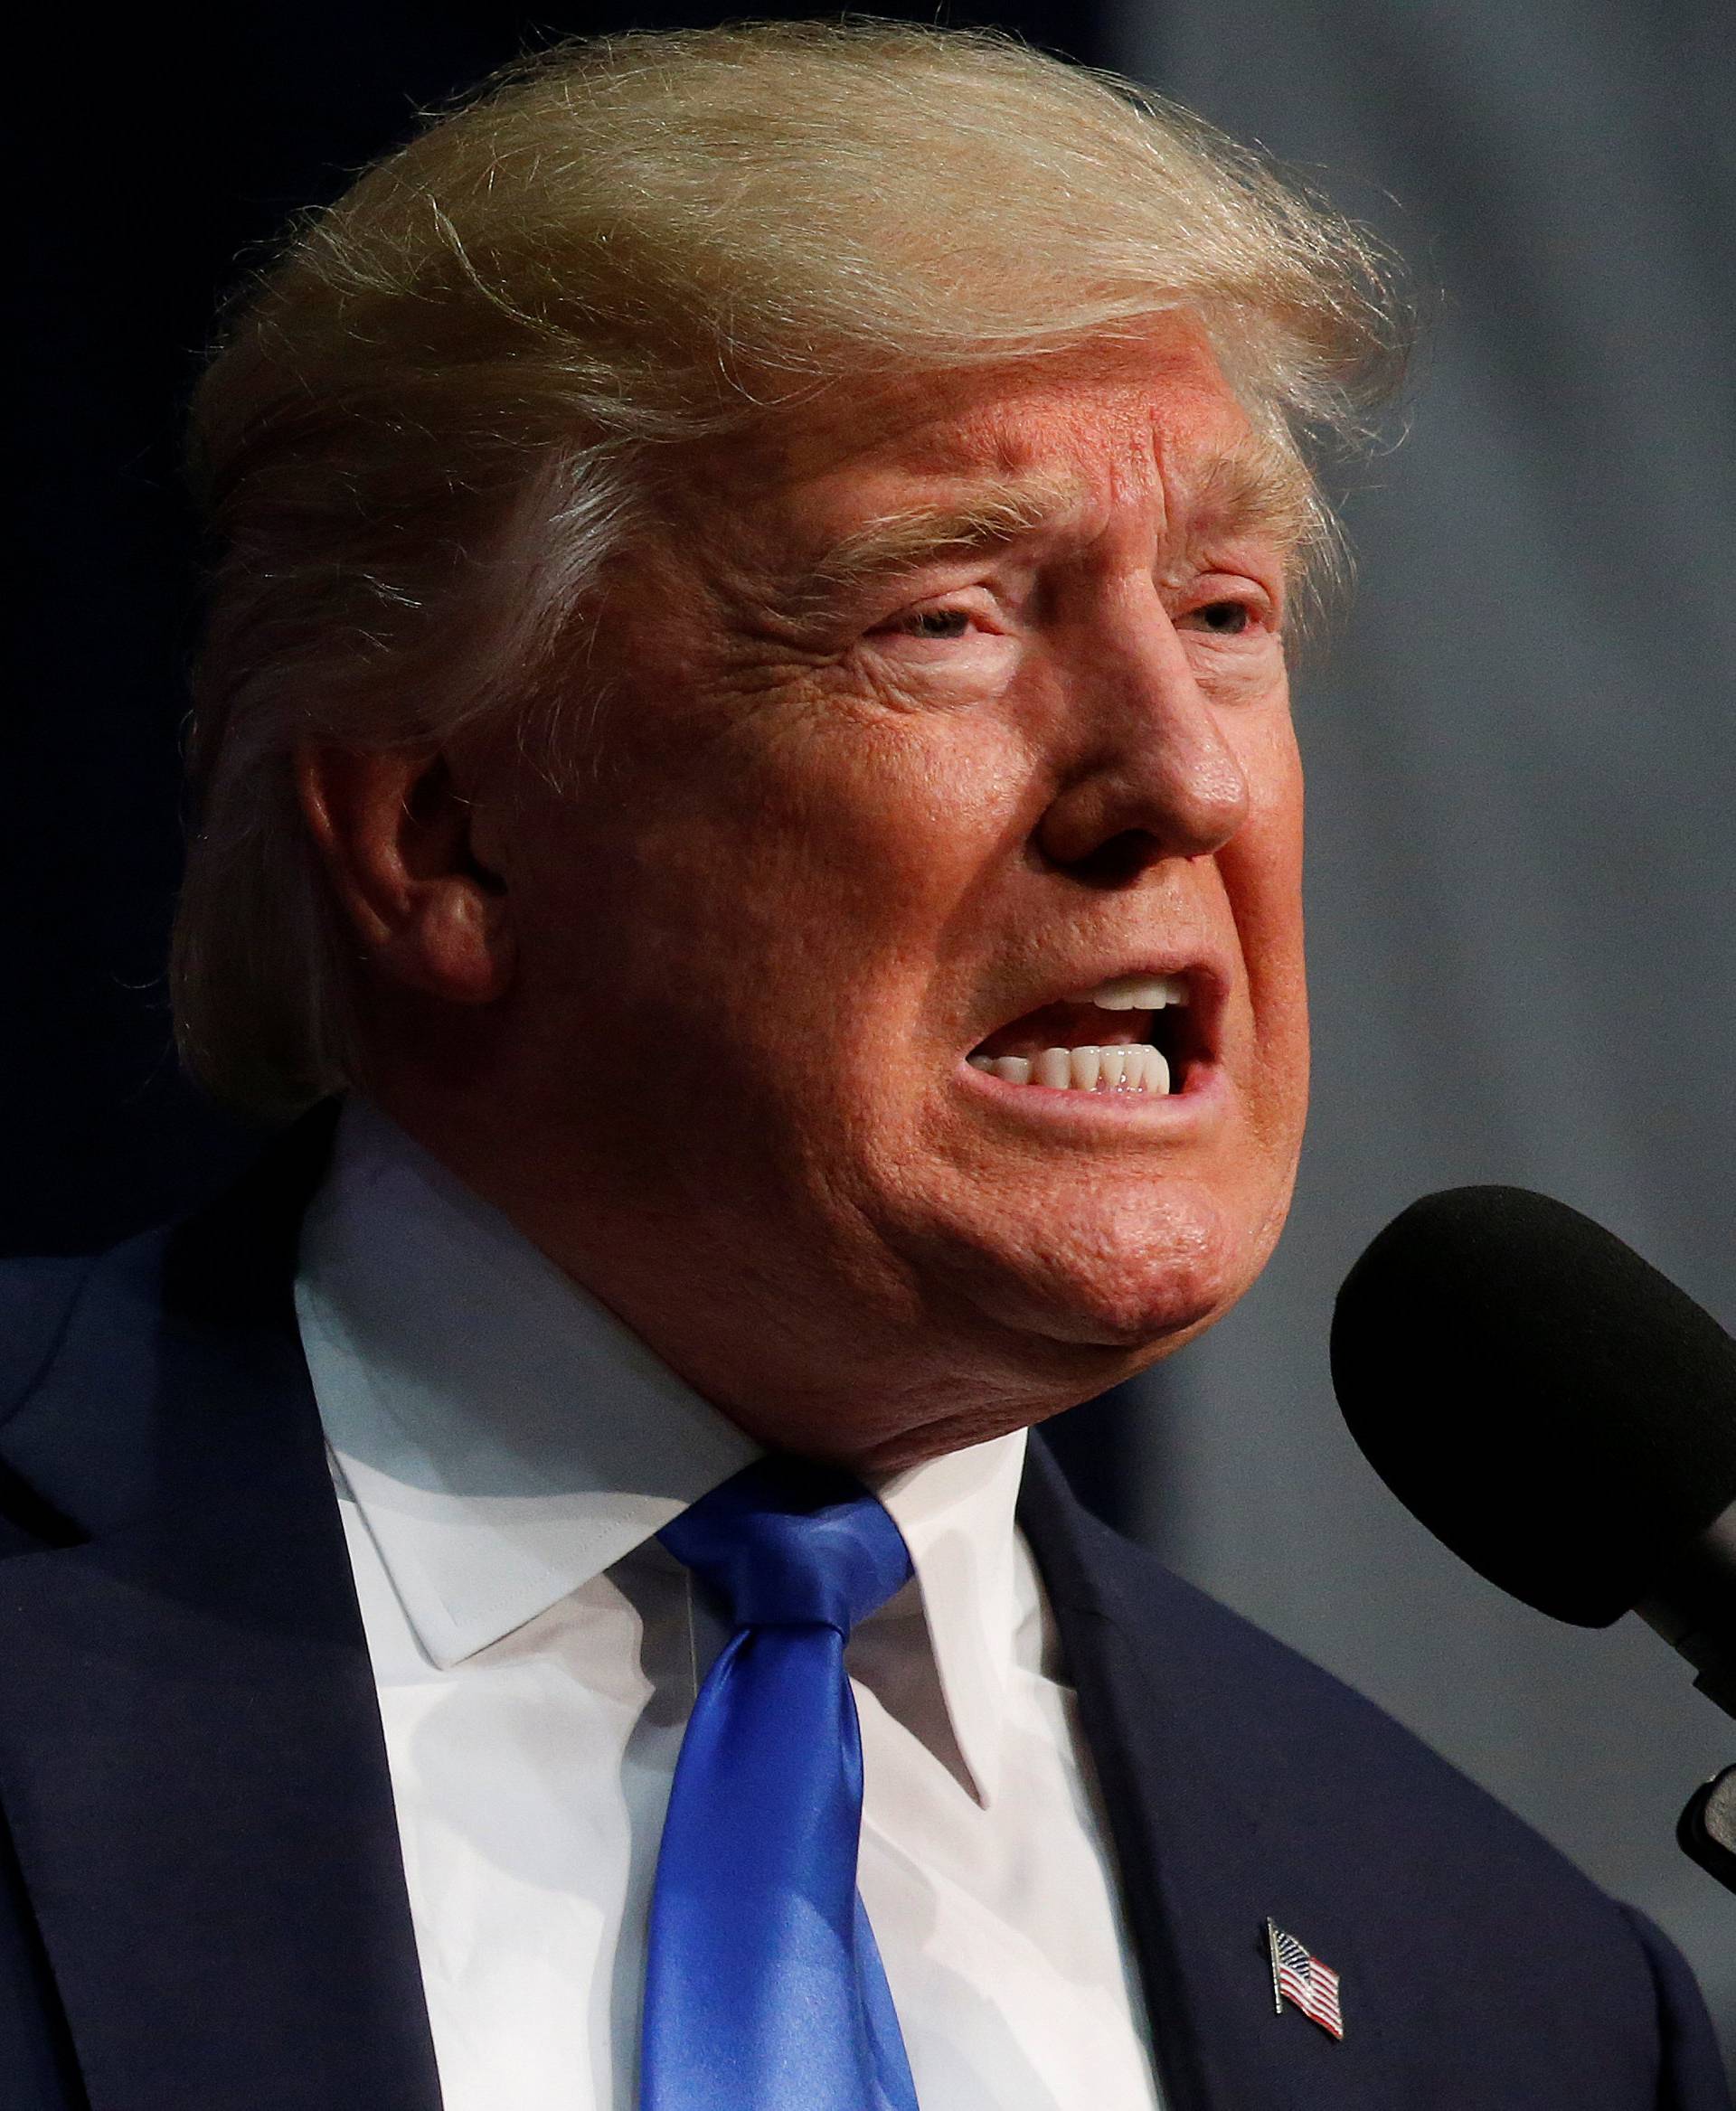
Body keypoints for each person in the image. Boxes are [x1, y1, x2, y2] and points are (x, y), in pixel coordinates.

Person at [0, 21, 1726, 2110]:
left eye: (1225, 608)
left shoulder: (1518, 2002)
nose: (1175, 772)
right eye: (948, 616)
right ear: (443, 837)